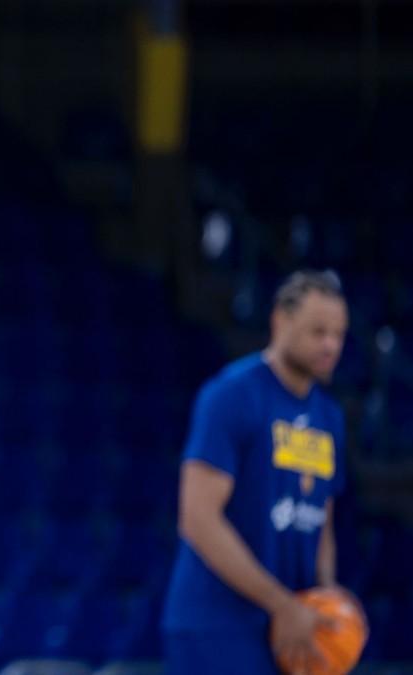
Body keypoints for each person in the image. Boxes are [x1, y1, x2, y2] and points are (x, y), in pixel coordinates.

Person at [162, 270, 359, 674]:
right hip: (217, 627)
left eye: (338, 335)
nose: (330, 345)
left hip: (290, 626)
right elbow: (197, 519)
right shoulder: (231, 395)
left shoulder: (329, 416)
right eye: (317, 331)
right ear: (280, 321)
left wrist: (327, 599)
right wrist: (282, 604)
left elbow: (322, 521)